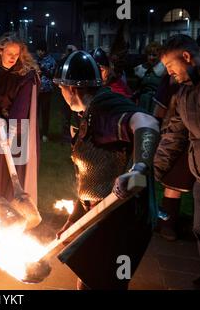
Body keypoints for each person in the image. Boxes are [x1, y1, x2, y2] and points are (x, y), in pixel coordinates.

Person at [53, 51, 160, 290]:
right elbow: (89, 174)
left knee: (102, 283)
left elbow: (147, 122)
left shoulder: (105, 107)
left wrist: (139, 167)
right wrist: (75, 219)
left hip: (119, 218)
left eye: (61, 87)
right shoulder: (89, 112)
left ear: (71, 88)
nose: (60, 93)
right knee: (88, 278)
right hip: (99, 213)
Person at [153, 34, 200, 287]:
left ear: (186, 57)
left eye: (171, 67)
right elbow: (174, 134)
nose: (170, 74)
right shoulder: (183, 94)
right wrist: (152, 171)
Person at [0, 32, 40, 204]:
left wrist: (10, 134)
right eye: (9, 54)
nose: (13, 58)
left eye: (16, 54)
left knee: (12, 173)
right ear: (0, 52)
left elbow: (22, 108)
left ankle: (13, 211)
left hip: (18, 134)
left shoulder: (26, 76)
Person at [153, 74, 195, 241]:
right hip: (179, 134)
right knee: (175, 182)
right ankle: (168, 224)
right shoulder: (174, 80)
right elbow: (162, 107)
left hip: (193, 137)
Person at [134, 42, 166, 113]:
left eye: (154, 55)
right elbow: (138, 88)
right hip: (143, 101)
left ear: (160, 56)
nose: (151, 57)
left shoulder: (165, 70)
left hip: (157, 101)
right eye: (149, 55)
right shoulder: (141, 69)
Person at [35, 42, 56, 143]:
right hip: (37, 90)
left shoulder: (51, 60)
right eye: (37, 50)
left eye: (40, 50)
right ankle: (35, 133)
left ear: (44, 50)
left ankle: (45, 134)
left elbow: (52, 74)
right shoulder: (35, 60)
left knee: (45, 112)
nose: (38, 52)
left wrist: (42, 69)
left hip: (47, 90)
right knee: (35, 112)